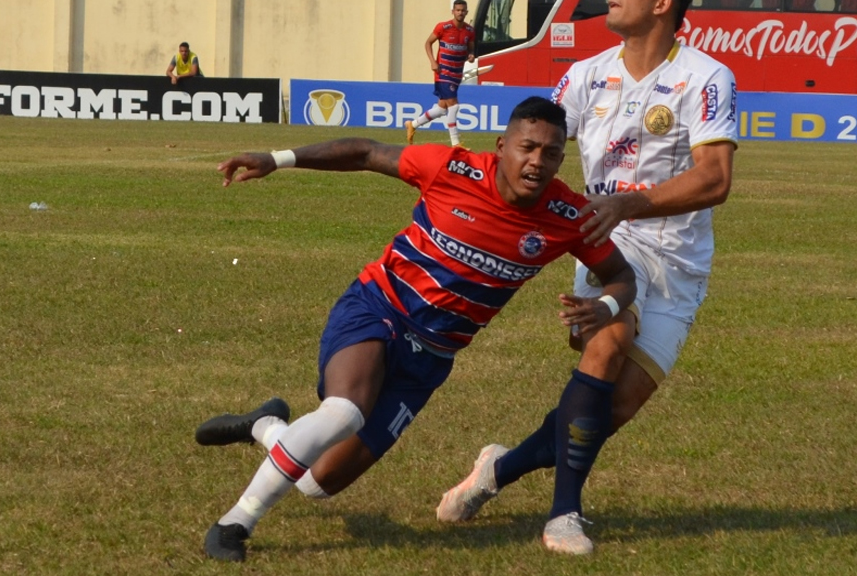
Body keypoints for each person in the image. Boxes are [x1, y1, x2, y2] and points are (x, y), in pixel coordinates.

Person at [196, 97, 637, 562]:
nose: (537, 162)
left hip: (430, 358)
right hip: (378, 308)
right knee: (344, 412)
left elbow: (622, 277)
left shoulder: (568, 217)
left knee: (314, 483)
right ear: (502, 145)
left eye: (550, 153)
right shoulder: (452, 168)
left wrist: (605, 306)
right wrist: (277, 159)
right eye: (527, 147)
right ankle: (234, 524)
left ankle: (265, 425)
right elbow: (365, 152)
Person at [436, 0, 738, 555]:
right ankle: (564, 515)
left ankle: (499, 467)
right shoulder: (584, 75)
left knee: (608, 413)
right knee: (608, 338)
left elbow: (715, 180)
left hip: (678, 260)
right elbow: (534, 146)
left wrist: (631, 202)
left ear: (662, 4)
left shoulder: (707, 78)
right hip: (606, 241)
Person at [405, 0, 475, 147]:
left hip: (457, 73)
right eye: (458, 10)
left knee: (441, 109)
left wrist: (471, 55)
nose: (460, 13)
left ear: (466, 12)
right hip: (443, 72)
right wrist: (432, 61)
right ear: (453, 11)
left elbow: (471, 48)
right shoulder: (443, 27)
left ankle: (413, 124)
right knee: (454, 106)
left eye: (463, 10)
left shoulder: (469, 31)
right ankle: (455, 143)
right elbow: (428, 43)